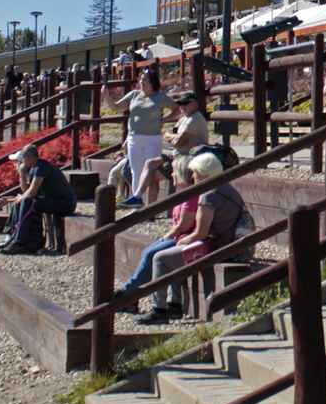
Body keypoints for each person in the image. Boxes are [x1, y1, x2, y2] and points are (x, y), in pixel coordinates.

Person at [113, 152, 245, 324]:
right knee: (170, 255)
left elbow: (201, 233)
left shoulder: (209, 194)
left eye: (195, 173)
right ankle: (173, 305)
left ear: (203, 173)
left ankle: (159, 309)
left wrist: (182, 241)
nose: (192, 176)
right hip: (227, 242)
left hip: (218, 246)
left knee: (161, 258)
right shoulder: (224, 187)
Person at [100, 68, 174, 208]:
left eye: (144, 79)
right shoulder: (133, 95)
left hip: (152, 139)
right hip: (134, 137)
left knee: (152, 173)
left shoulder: (160, 97)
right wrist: (108, 97)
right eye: (141, 79)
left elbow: (176, 108)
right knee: (136, 172)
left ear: (152, 82)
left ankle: (150, 209)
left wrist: (164, 120)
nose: (141, 82)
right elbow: (116, 107)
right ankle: (136, 204)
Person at [0, 145, 76, 255]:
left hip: (65, 203)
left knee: (26, 201)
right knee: (21, 201)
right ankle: (14, 236)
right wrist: (22, 175)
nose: (22, 162)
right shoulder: (34, 169)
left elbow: (32, 193)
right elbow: (26, 192)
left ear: (28, 158)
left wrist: (21, 198)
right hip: (52, 200)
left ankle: (20, 242)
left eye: (23, 159)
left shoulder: (41, 167)